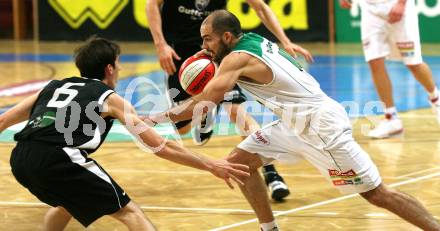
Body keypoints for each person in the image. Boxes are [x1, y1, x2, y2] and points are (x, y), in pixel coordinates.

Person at [148, 10, 440, 230]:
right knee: (240, 165)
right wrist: (212, 58)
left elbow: (207, 101)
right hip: (293, 124)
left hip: (321, 127)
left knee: (377, 194)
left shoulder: (235, 59)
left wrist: (156, 117)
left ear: (226, 37)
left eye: (207, 39)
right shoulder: (251, 40)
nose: (202, 45)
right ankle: (269, 228)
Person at [0, 37, 249, 231]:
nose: (119, 69)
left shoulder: (54, 86)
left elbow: (3, 120)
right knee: (130, 213)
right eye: (118, 64)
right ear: (109, 68)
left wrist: (148, 118)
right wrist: (211, 165)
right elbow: (161, 146)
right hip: (59, 158)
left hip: (21, 158)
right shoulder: (108, 96)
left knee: (69, 202)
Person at [146, 0, 313, 201]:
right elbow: (151, 4)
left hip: (220, 52)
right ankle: (208, 110)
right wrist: (160, 44)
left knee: (237, 112)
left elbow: (260, 6)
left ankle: (271, 173)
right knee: (182, 128)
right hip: (182, 55)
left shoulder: (230, 55)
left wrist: (284, 40)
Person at [340, 0, 440, 139]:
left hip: (397, 5)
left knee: (413, 63)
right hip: (370, 8)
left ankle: (436, 98)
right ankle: (391, 118)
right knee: (374, 61)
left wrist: (401, 3)